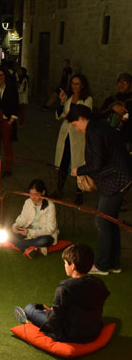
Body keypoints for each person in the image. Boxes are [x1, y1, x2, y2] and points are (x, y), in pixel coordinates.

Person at [68, 104, 132, 275]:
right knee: (111, 220)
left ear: (81, 118)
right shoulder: (100, 125)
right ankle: (114, 263)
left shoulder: (94, 131)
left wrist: (78, 170)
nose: (77, 128)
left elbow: (96, 163)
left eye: (75, 125)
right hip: (122, 176)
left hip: (116, 180)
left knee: (102, 220)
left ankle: (103, 265)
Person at [14, 244, 110, 343]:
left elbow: (53, 323)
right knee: (51, 310)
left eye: (65, 263)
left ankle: (36, 315)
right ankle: (46, 309)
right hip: (93, 330)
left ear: (73, 266)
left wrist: (51, 313)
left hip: (70, 335)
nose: (64, 265)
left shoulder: (65, 289)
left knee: (30, 308)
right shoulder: (98, 283)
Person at [51, 74, 93, 204]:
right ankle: (59, 189)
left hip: (78, 135)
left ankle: (79, 191)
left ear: (83, 85)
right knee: (63, 161)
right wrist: (62, 101)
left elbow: (84, 115)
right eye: (73, 84)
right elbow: (60, 116)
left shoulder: (87, 99)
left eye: (77, 84)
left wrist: (69, 116)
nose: (74, 86)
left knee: (79, 162)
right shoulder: (69, 98)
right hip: (66, 134)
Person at [9, 179, 58, 257]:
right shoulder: (28, 202)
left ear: (43, 193)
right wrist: (16, 225)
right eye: (31, 194)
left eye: (36, 194)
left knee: (44, 241)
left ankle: (21, 245)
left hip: (43, 234)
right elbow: (23, 218)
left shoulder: (50, 205)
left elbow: (51, 229)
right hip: (28, 230)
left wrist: (29, 232)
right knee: (8, 231)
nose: (33, 197)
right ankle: (28, 249)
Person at [97, 73, 132, 149]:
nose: (121, 85)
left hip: (126, 140)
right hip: (109, 138)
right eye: (119, 82)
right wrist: (112, 108)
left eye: (125, 82)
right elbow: (99, 115)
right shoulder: (111, 99)